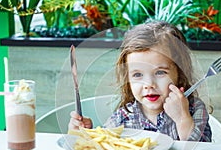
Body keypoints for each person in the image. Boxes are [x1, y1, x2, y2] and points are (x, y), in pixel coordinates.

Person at [69, 20, 212, 142]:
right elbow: (105, 149)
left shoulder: (193, 108)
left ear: (180, 74)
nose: (149, 84)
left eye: (160, 72)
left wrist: (182, 119)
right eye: (138, 75)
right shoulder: (123, 117)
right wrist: (84, 134)